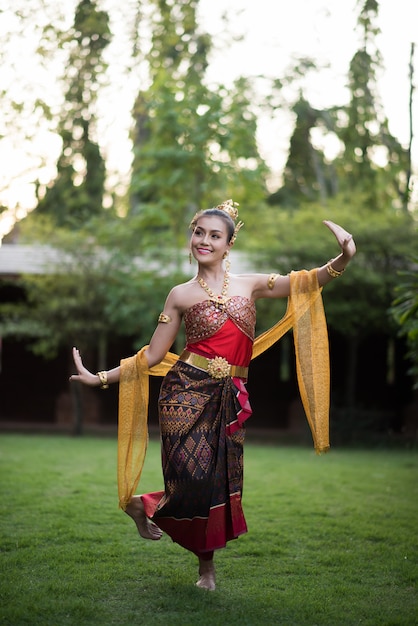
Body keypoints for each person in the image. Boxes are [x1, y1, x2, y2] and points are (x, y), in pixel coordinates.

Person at [70, 200, 356, 591]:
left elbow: (307, 282)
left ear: (228, 244)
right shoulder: (180, 295)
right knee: (190, 477)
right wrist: (100, 377)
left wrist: (343, 257)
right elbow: (152, 355)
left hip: (230, 397)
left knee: (215, 483)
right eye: (198, 232)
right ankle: (169, 529)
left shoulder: (251, 284)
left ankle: (188, 551)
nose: (204, 240)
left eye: (214, 235)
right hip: (184, 394)